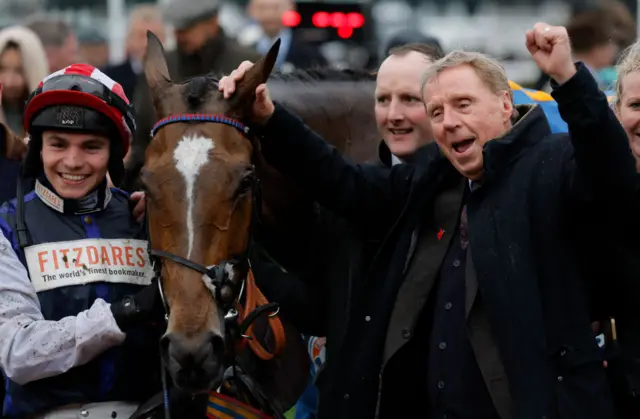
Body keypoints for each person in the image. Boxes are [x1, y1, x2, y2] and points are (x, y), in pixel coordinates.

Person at [218, 22, 637, 419]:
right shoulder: (431, 179)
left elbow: (611, 171)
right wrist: (271, 119)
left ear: (506, 104)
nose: (449, 121)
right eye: (436, 112)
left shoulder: (552, 161)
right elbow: (342, 181)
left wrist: (567, 77)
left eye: (463, 105)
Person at [0, 63, 164, 418]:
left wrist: (172, 216)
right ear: (37, 148)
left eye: (91, 147)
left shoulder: (148, 219)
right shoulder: (6, 226)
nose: (72, 162)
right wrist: (123, 314)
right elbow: (17, 353)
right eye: (57, 144)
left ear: (114, 154)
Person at [126, 0, 261, 192]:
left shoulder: (245, 65)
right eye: (176, 28)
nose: (178, 35)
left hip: (231, 191)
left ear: (213, 22)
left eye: (187, 27)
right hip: (167, 192)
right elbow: (142, 139)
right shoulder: (160, 67)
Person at [102, 4, 167, 100]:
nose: (147, 43)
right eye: (141, 36)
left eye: (154, 36)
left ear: (164, 39)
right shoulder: (109, 79)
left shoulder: (178, 75)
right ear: (129, 39)